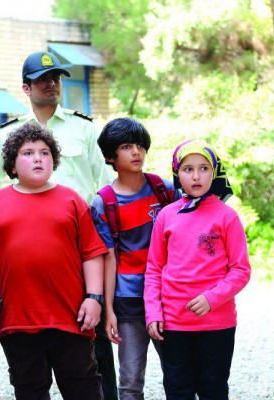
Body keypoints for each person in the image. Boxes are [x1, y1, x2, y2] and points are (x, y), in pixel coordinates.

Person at [0, 50, 117, 399]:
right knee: (31, 356)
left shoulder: (83, 128)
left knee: (92, 340)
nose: (51, 83)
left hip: (81, 243)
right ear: (26, 88)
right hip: (30, 244)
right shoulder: (9, 133)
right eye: (42, 79)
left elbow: (104, 185)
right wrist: (8, 218)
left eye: (55, 77)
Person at [0, 123, 108, 400]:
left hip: (70, 317)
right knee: (29, 388)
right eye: (28, 153)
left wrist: (94, 298)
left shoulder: (72, 200)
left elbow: (92, 253)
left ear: (54, 160)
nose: (38, 158)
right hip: (16, 319)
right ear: (12, 164)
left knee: (82, 385)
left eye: (44, 152)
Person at [144, 139, 250, 399]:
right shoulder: (166, 215)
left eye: (203, 168)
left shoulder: (227, 216)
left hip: (217, 323)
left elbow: (240, 270)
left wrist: (212, 298)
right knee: (178, 389)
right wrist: (153, 311)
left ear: (214, 172)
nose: (196, 176)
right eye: (188, 169)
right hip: (174, 322)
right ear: (177, 173)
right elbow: (154, 268)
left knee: (213, 389)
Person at [91, 118, 179, 400]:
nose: (136, 152)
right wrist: (109, 311)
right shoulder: (104, 203)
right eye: (126, 147)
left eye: (140, 145)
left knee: (179, 375)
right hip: (128, 300)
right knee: (130, 381)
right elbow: (108, 259)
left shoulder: (165, 191)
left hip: (168, 297)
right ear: (110, 157)